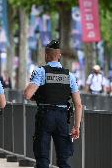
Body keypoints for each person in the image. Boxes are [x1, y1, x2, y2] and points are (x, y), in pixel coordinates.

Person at [24, 40, 82, 168]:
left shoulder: (40, 72)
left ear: (46, 55)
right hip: (62, 118)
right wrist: (76, 126)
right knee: (63, 159)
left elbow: (28, 94)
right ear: (59, 55)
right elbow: (78, 105)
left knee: (43, 158)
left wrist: (40, 97)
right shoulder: (70, 76)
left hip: (45, 116)